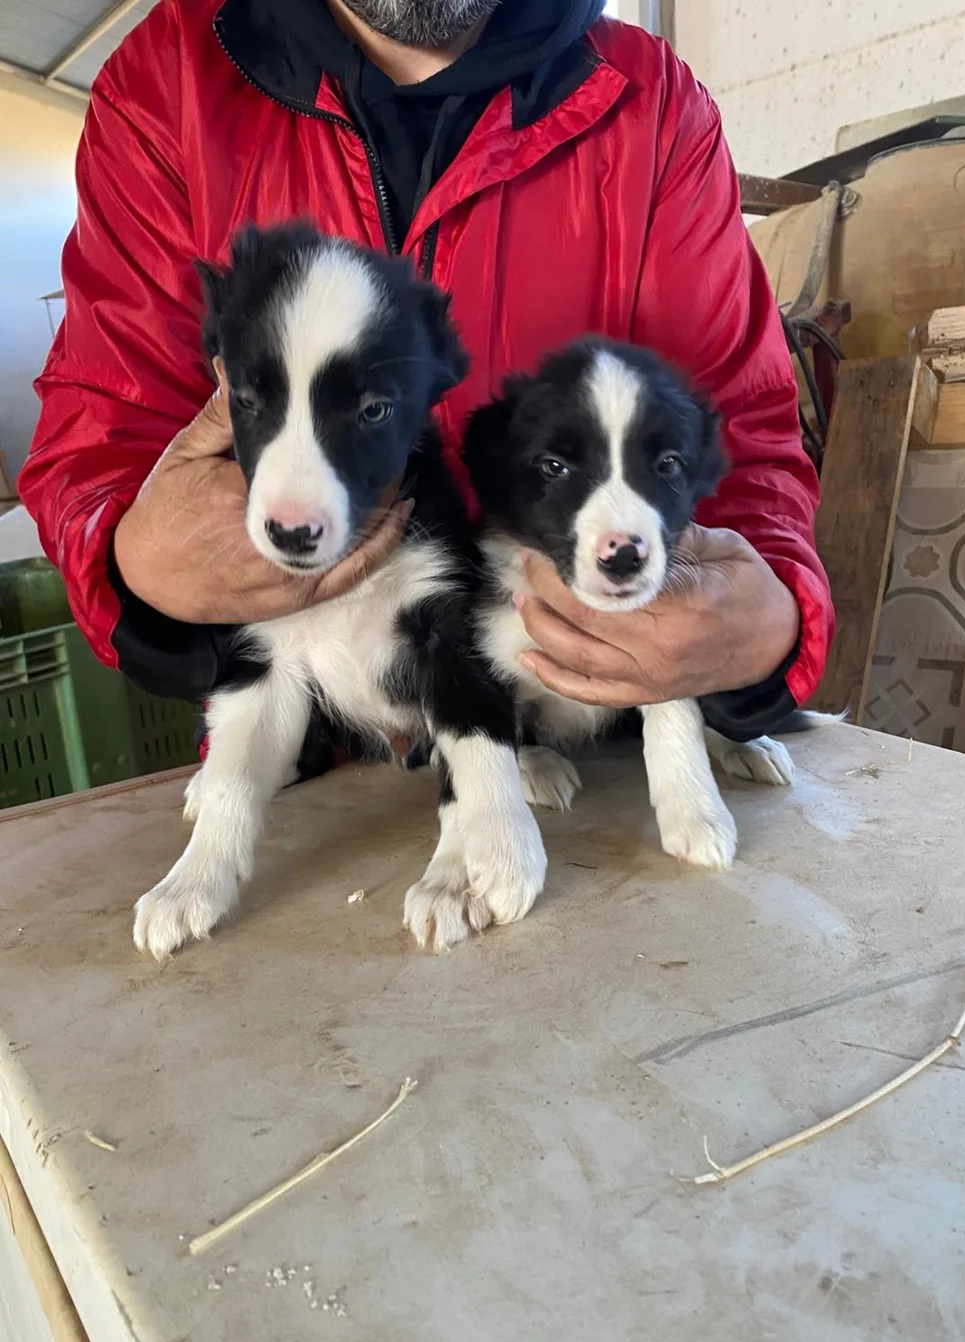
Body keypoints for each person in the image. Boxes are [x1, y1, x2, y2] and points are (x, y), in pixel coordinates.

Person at [19, 0, 834, 773]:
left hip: (594, 739)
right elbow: (101, 438)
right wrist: (136, 567)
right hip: (321, 747)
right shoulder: (171, 79)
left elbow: (742, 443)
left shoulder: (653, 105)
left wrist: (764, 629)